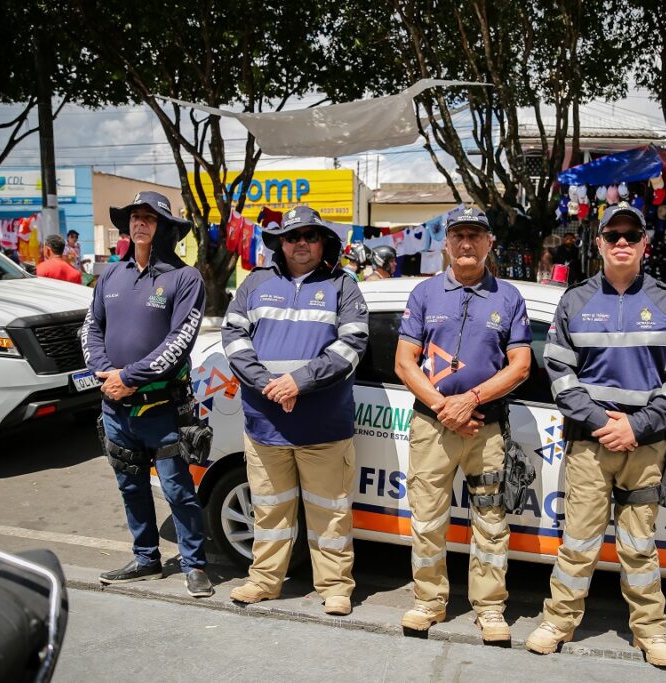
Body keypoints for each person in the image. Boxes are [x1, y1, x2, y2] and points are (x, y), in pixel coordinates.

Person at [525, 201, 666, 668]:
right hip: (589, 444)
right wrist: (603, 423)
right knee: (578, 542)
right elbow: (559, 374)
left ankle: (651, 632)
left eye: (631, 236)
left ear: (644, 244)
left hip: (644, 447)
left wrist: (636, 427)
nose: (622, 243)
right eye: (613, 235)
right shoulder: (575, 301)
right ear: (599, 243)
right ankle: (557, 622)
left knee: (639, 545)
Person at [221, 206, 368, 617]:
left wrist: (297, 382)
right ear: (280, 243)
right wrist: (269, 384)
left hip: (324, 426)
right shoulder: (255, 283)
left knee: (331, 514)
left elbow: (351, 347)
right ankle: (264, 582)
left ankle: (336, 587)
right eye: (292, 236)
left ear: (324, 243)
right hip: (265, 425)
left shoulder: (344, 286)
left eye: (310, 235)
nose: (300, 243)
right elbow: (233, 338)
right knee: (269, 510)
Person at [394, 206, 532, 643]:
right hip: (433, 426)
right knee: (427, 518)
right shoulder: (424, 294)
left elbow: (521, 366)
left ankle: (490, 609)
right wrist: (444, 407)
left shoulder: (508, 298)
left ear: (490, 242)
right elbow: (404, 362)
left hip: (486, 428)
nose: (467, 244)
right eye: (459, 236)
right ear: (447, 243)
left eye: (476, 235)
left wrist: (470, 400)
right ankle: (428, 602)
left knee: (491, 521)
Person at [82, 190, 213, 599]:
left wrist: (130, 377)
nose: (139, 223)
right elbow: (90, 328)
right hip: (115, 407)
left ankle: (195, 564)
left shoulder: (184, 277)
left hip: (163, 410)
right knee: (131, 486)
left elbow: (180, 342)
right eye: (135, 217)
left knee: (178, 490)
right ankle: (146, 559)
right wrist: (105, 372)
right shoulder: (111, 276)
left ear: (165, 229)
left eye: (150, 218)